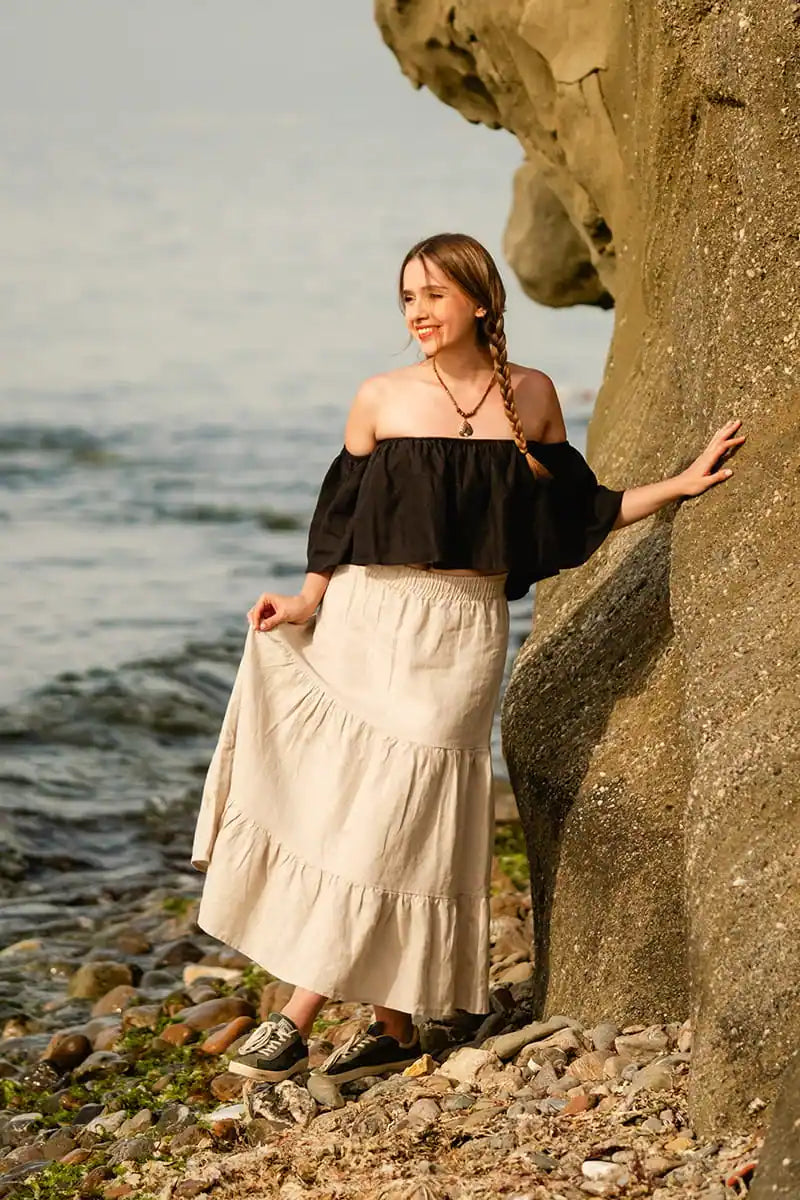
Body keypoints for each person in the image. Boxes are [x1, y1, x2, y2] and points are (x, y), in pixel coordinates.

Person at [190, 232, 745, 1087]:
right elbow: (338, 520)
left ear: (480, 302)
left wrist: (677, 484)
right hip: (367, 617)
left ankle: (298, 1011)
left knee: (397, 808)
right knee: (361, 809)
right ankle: (392, 1020)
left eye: (434, 296)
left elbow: (577, 514)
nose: (416, 311)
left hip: (460, 631)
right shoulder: (379, 398)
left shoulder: (531, 396)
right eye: (406, 297)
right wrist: (306, 600)